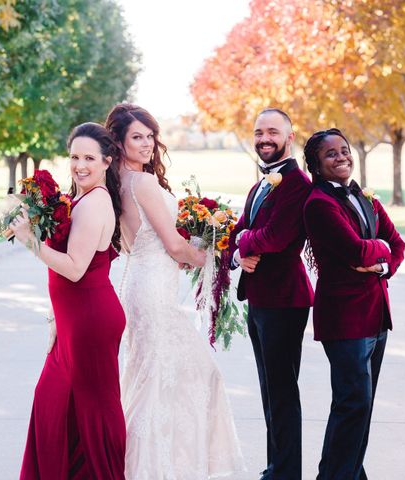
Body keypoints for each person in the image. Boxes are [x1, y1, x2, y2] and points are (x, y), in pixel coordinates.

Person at [104, 103, 245, 479]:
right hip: (151, 288)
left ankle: (161, 464)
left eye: (151, 136)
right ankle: (156, 469)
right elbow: (175, 247)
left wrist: (187, 253)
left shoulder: (116, 180)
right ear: (118, 142)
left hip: (137, 282)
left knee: (150, 376)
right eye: (137, 137)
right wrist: (218, 256)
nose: (148, 143)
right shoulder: (144, 182)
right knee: (196, 374)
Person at [11, 122, 126, 479]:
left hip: (90, 322)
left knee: (87, 411)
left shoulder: (94, 203)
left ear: (107, 160)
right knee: (59, 407)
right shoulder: (81, 198)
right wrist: (56, 318)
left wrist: (30, 240)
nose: (80, 165)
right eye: (74, 156)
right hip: (75, 320)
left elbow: (75, 269)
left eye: (89, 157)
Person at [302, 128, 405, 480]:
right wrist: (380, 250)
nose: (341, 157)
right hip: (345, 321)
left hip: (377, 318)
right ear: (316, 164)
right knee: (352, 404)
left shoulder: (364, 196)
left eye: (344, 150)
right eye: (330, 154)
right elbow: (355, 250)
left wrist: (382, 262)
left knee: (360, 406)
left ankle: (340, 474)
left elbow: (397, 244)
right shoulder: (318, 204)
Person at [228, 108, 314, 480]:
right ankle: (275, 469)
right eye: (259, 131)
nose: (264, 138)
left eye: (273, 132)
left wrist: (244, 242)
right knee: (269, 392)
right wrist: (237, 252)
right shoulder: (260, 183)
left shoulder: (297, 183)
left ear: (289, 137)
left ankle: (286, 474)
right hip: (260, 299)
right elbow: (238, 231)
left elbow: (276, 237)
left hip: (285, 301)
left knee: (281, 392)